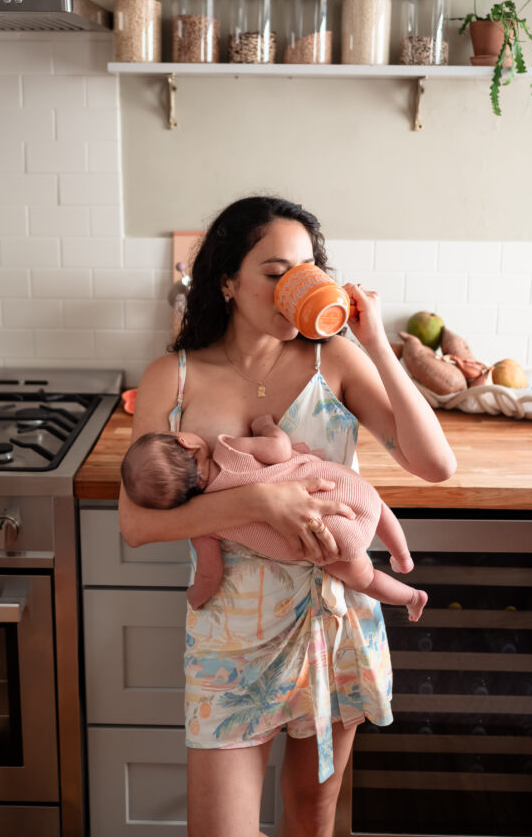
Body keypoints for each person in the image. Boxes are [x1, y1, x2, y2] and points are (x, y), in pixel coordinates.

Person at [118, 195, 456, 837]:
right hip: (231, 640)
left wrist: (377, 345)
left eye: (305, 271)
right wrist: (256, 500)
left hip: (333, 623)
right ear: (227, 281)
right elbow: (136, 524)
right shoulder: (174, 377)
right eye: (275, 273)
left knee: (311, 819)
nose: (292, 287)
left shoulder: (337, 362)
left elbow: (434, 465)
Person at [121, 414, 428, 620]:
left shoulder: (203, 524)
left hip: (331, 543)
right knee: (374, 503)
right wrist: (265, 424)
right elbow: (279, 449)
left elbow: (210, 576)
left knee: (367, 578)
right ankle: (402, 557)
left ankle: (412, 597)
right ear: (185, 441)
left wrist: (195, 596)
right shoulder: (232, 451)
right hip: (339, 492)